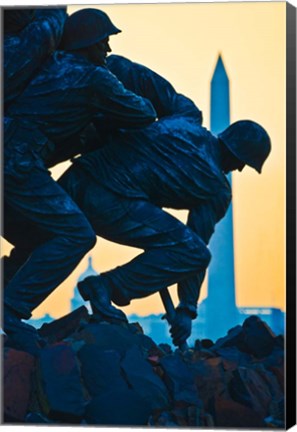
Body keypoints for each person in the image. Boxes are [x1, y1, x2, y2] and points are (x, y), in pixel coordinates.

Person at [4, 55, 271, 347]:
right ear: (241, 160)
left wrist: (101, 62)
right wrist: (186, 310)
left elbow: (135, 74)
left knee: (58, 237)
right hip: (111, 201)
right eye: (244, 164)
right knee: (192, 252)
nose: (240, 170)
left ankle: (11, 285)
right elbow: (195, 248)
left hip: (79, 176)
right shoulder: (216, 189)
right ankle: (106, 287)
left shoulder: (185, 114)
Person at [3, 10, 156, 355]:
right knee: (77, 234)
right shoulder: (92, 79)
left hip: (13, 156)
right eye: (103, 40)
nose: (108, 47)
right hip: (17, 162)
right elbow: (142, 112)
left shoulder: (47, 65)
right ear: (86, 43)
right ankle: (11, 310)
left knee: (40, 237)